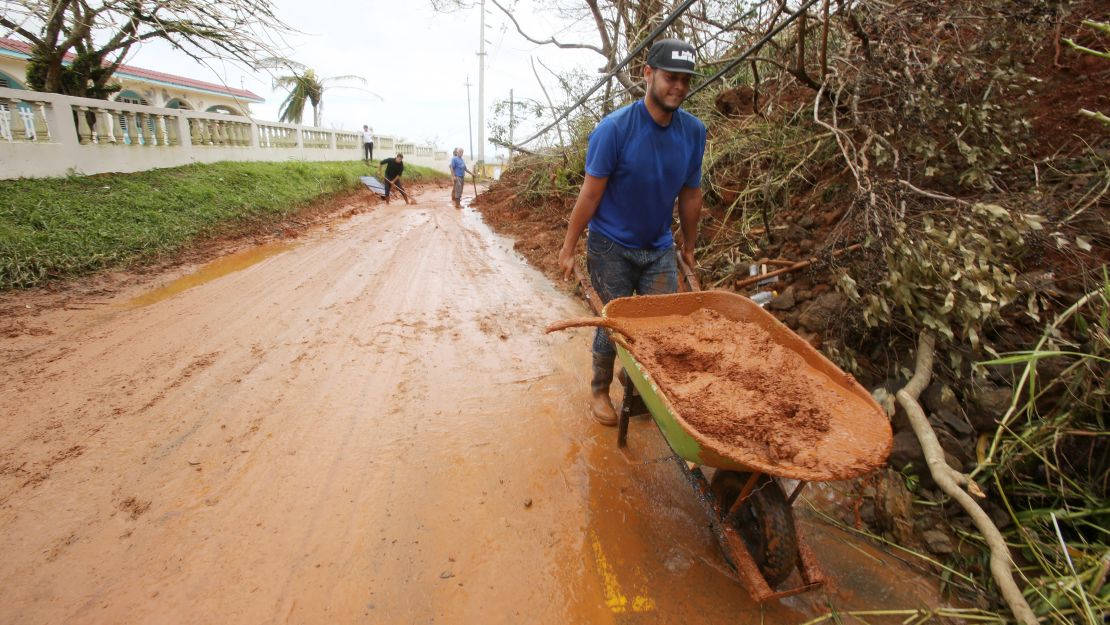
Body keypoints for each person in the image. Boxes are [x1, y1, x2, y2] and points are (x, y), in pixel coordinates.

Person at [556, 38, 706, 427]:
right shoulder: (614, 129)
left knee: (658, 328)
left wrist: (689, 248)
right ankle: (600, 388)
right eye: (671, 77)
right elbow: (590, 194)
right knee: (615, 324)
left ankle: (635, 381)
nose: (678, 87)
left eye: (685, 80)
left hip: (658, 246)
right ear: (648, 74)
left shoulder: (693, 133)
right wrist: (569, 247)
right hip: (610, 245)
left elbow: (691, 195)